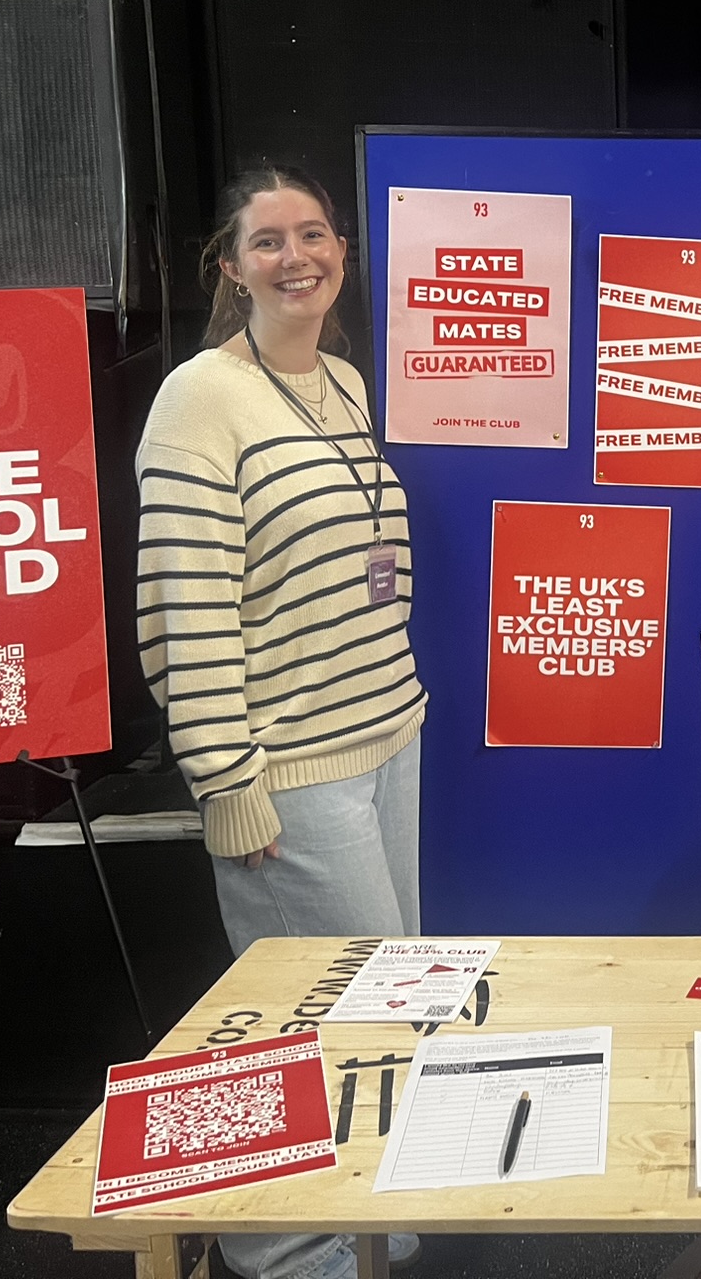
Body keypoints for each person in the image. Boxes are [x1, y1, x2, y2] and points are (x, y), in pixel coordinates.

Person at [137, 166, 426, 1279]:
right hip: (292, 773)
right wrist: (226, 778)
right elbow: (181, 603)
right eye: (268, 242)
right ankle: (277, 1246)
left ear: (341, 251)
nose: (296, 256)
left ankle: (368, 1230)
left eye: (313, 235)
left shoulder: (344, 384)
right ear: (227, 266)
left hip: (385, 739)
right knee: (313, 1018)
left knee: (389, 1005)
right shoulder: (200, 397)